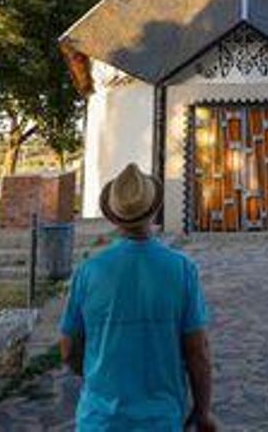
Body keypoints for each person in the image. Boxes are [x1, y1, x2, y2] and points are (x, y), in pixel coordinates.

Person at [60, 163, 216, 431]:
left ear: (113, 217)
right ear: (154, 210)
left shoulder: (89, 272)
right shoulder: (181, 270)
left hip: (98, 420)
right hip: (161, 420)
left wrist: (97, 373)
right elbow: (197, 351)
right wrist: (202, 411)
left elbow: (68, 348)